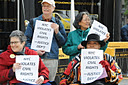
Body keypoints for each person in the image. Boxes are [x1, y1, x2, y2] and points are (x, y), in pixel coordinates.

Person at [25, 0, 67, 81]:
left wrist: (57, 32)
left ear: (53, 8)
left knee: (49, 81)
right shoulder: (33, 22)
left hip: (51, 58)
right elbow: (26, 40)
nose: (45, 8)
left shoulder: (58, 22)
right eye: (44, 6)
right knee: (34, 81)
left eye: (48, 6)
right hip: (36, 57)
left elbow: (63, 42)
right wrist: (34, 51)